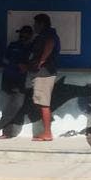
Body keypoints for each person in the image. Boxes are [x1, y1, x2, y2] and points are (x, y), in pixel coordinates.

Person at [0, 26, 33, 139]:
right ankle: (6, 132)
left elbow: (33, 63)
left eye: (25, 34)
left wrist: (26, 66)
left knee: (16, 106)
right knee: (10, 106)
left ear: (30, 36)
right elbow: (4, 59)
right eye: (21, 34)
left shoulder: (32, 48)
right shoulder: (13, 45)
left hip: (21, 81)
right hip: (8, 78)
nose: (22, 36)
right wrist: (16, 64)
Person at [28, 13, 60, 142]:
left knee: (44, 103)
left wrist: (41, 61)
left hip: (45, 73)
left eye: (35, 24)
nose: (34, 26)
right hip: (40, 73)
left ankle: (47, 133)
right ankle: (46, 130)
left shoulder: (49, 35)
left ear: (41, 24)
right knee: (40, 102)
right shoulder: (41, 36)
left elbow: (50, 44)